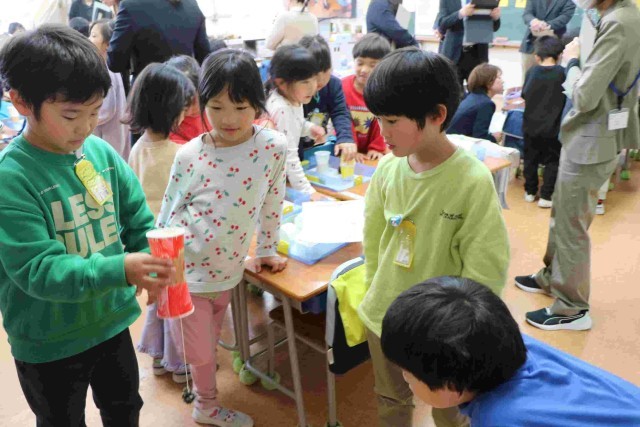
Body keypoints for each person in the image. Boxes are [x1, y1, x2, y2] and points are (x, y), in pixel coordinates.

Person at [0, 25, 176, 426]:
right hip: (49, 338)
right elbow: (39, 270)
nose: (85, 127)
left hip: (110, 320)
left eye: (95, 112)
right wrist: (121, 268)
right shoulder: (11, 178)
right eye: (71, 115)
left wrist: (149, 256)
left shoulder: (98, 152)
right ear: (22, 102)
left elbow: (135, 217)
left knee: (124, 407)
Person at [361, 47, 509, 427]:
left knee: (451, 408)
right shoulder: (387, 170)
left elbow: (485, 267)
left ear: (437, 115)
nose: (382, 132)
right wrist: (371, 295)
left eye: (392, 121)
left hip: (444, 331)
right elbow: (373, 243)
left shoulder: (471, 181)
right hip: (385, 315)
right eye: (378, 119)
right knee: (391, 398)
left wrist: (465, 332)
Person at [156, 49, 288, 427]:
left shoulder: (272, 147)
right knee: (200, 352)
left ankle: (204, 398)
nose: (229, 119)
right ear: (201, 104)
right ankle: (207, 406)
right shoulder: (190, 154)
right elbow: (167, 216)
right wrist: (163, 279)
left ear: (258, 104)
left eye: (241, 107)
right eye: (216, 107)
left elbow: (272, 201)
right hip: (187, 270)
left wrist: (267, 249)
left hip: (229, 269)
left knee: (211, 339)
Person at [515, 0, 640, 331]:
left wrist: (571, 61)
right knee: (563, 211)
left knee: (572, 223)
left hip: (593, 134)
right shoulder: (616, 15)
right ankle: (552, 276)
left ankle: (572, 307)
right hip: (592, 131)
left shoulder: (619, 22)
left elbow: (584, 96)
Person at [381, 277, 640, 426]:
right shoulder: (507, 345)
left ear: (450, 386)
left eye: (409, 375)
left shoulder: (501, 418)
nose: (404, 377)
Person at [126, 63, 194, 218]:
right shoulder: (180, 153)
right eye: (183, 109)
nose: (185, 115)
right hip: (171, 226)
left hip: (143, 224)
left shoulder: (137, 149)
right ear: (170, 110)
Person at [266, 44, 324, 195]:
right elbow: (289, 156)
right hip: (269, 180)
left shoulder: (293, 98)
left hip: (280, 175)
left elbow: (294, 125)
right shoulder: (282, 108)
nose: (312, 87)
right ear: (281, 83)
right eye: (305, 82)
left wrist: (309, 128)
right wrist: (308, 191)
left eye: (314, 79)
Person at [107, 0, 210, 83]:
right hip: (186, 90)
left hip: (147, 91)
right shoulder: (192, 5)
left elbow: (115, 63)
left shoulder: (130, 5)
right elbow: (205, 58)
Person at [522, 36, 565, 208]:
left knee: (530, 159)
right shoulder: (563, 73)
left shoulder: (531, 72)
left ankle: (530, 191)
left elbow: (524, 94)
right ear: (560, 55)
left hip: (530, 126)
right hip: (553, 128)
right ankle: (546, 196)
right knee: (552, 161)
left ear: (536, 56)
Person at [299, 34, 357, 161]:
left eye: (325, 74)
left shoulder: (333, 85)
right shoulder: (294, 90)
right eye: (311, 79)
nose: (316, 85)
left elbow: (340, 112)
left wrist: (345, 138)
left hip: (316, 147)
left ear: (330, 69)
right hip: (293, 150)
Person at [342, 33, 391, 162]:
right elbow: (343, 120)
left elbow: (383, 121)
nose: (364, 70)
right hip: (348, 149)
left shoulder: (384, 91)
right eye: (360, 63)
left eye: (372, 65)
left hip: (372, 153)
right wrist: (353, 148)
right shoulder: (342, 87)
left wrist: (377, 148)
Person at [89, 19, 131, 159]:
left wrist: (84, 116)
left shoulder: (106, 70)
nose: (89, 39)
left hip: (108, 136)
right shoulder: (106, 67)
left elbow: (106, 110)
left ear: (107, 45)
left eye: (94, 36)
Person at [437, 0, 501, 86]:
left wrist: (496, 18)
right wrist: (460, 13)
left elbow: (495, 28)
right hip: (454, 54)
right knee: (453, 90)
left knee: (478, 90)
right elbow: (442, 24)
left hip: (477, 53)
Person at [447, 63, 503, 143]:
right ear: (488, 82)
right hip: (458, 144)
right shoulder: (486, 104)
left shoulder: (473, 97)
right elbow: (480, 137)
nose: (502, 81)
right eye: (499, 78)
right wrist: (494, 138)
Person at [520, 0, 576, 78]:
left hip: (553, 46)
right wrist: (533, 21)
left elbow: (565, 17)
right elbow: (527, 14)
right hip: (531, 44)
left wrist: (545, 25)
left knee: (551, 78)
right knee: (528, 77)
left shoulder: (569, 1)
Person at [166, 55, 212, 145]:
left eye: (194, 101)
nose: (190, 111)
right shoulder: (171, 125)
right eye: (184, 106)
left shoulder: (215, 107)